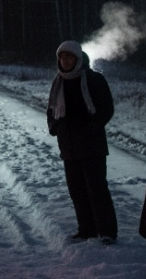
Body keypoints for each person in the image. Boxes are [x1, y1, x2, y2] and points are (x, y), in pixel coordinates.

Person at [46, 40, 118, 244]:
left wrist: (92, 127)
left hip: (92, 144)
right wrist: (54, 126)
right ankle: (86, 229)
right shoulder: (58, 81)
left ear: (78, 58)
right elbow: (51, 109)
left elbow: (106, 108)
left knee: (97, 189)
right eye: (61, 56)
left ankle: (107, 232)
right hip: (68, 144)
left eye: (69, 56)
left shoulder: (94, 79)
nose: (65, 60)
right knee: (76, 190)